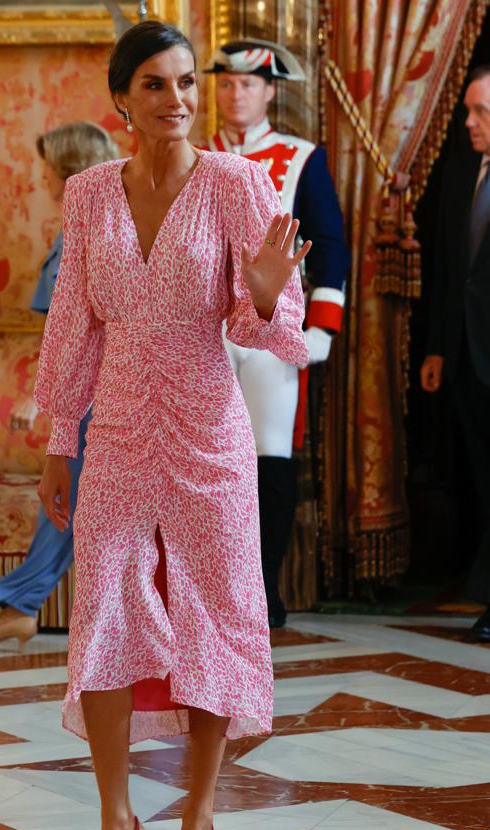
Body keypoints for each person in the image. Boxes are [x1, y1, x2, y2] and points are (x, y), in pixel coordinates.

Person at [34, 21, 310, 830]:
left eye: (187, 83)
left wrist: (264, 297)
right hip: (114, 434)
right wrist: (55, 440)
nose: (179, 100)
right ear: (122, 98)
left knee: (214, 622)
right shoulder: (87, 195)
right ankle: (117, 818)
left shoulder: (234, 183)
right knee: (104, 624)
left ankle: (195, 817)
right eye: (155, 84)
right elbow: (72, 324)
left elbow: (267, 322)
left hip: (206, 434)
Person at [205, 39, 350, 627]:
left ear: (269, 91)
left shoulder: (302, 156)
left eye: (248, 83)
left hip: (272, 330)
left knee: (270, 458)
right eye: (225, 82)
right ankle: (211, 592)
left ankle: (263, 591)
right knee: (207, 463)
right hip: (205, 332)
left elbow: (332, 247)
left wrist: (323, 329)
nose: (235, 93)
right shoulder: (191, 154)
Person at [0, 122, 119, 650]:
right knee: (70, 504)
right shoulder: (86, 221)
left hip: (102, 392)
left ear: (70, 169)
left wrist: (41, 396)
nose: (43, 176)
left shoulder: (88, 227)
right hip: (99, 390)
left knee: (72, 504)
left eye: (48, 166)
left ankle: (23, 604)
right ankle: (21, 605)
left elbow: (77, 327)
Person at [421, 64, 490, 642]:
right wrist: (438, 349)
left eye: (481, 112)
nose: (469, 122)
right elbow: (450, 270)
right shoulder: (462, 167)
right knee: (484, 478)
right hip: (468, 355)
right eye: (469, 110)